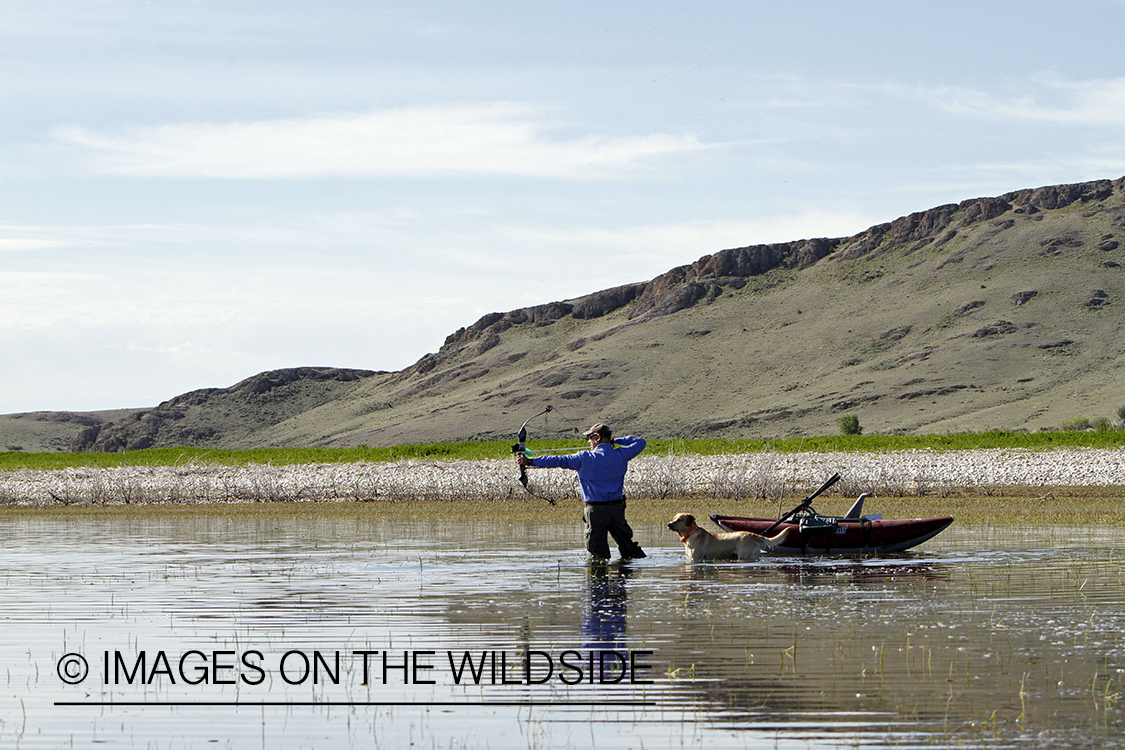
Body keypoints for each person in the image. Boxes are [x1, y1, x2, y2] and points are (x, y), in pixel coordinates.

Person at [517, 422, 646, 560]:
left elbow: (558, 460)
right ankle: (631, 576)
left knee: (599, 555)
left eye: (590, 437)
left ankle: (600, 579)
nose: (589, 441)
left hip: (595, 511)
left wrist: (530, 462)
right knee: (629, 549)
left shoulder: (584, 458)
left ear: (597, 437)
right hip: (617, 509)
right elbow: (640, 442)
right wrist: (616, 440)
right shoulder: (622, 454)